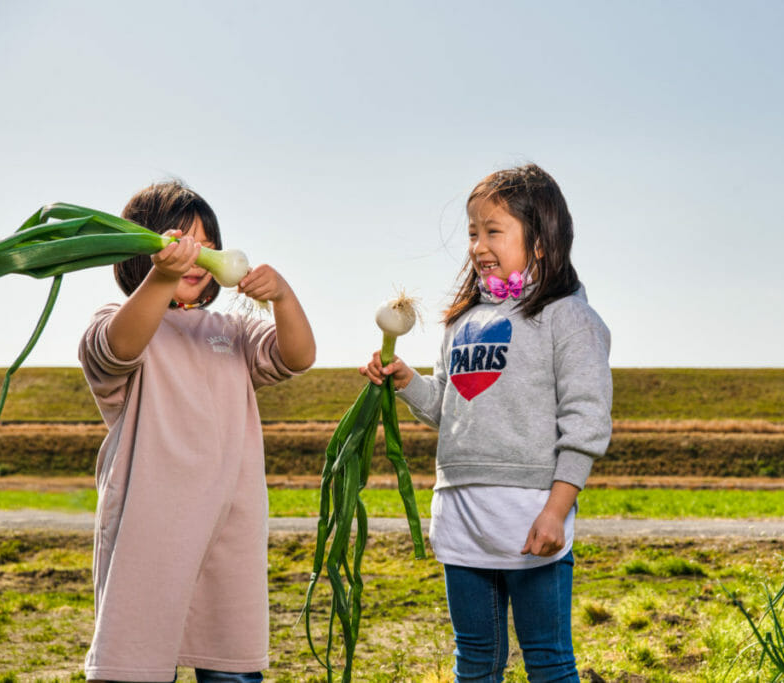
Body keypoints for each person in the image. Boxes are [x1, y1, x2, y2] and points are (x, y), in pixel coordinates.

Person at [361, 163, 613, 682]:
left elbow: (584, 425)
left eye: (493, 231)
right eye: (473, 232)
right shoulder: (460, 322)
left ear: (540, 241)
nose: (478, 245)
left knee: (547, 660)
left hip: (531, 515)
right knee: (474, 659)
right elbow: (448, 411)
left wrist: (556, 511)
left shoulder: (569, 318)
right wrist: (406, 381)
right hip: (461, 513)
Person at [78, 180, 316, 682]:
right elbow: (117, 348)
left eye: (207, 246)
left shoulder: (231, 331)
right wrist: (162, 279)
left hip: (229, 530)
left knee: (230, 662)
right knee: (136, 661)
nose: (195, 256)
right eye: (179, 242)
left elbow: (298, 357)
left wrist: (284, 297)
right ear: (137, 251)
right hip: (150, 530)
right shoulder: (118, 321)